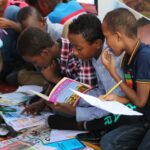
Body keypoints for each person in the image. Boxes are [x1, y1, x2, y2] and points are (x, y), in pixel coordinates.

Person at [17, 27, 100, 122]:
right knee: (34, 101)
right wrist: (42, 102)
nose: (36, 66)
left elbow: (86, 96)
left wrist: (54, 79)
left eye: (35, 62)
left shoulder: (77, 55)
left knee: (55, 119)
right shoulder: (55, 53)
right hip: (71, 95)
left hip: (90, 101)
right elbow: (52, 85)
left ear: (45, 53)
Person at [99, 8, 150, 150]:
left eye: (106, 36)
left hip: (144, 114)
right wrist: (115, 98)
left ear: (118, 36)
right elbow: (134, 97)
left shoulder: (145, 57)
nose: (106, 43)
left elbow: (140, 101)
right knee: (108, 142)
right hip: (145, 117)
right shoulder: (127, 58)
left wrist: (112, 72)